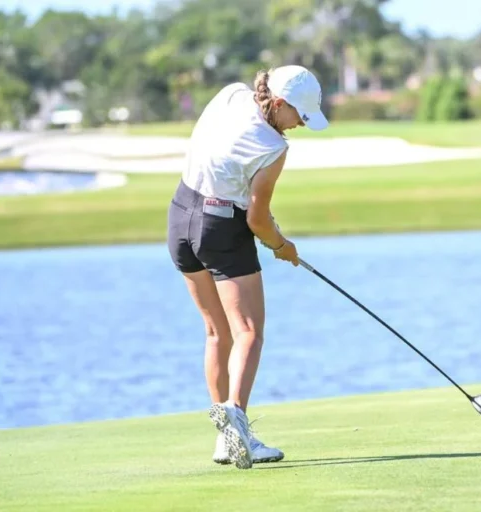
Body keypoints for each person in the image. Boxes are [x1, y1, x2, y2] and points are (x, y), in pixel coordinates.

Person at [166, 65, 329, 470]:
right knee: (249, 332)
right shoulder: (274, 148)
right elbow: (257, 220)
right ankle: (237, 428)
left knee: (216, 332)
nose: (299, 127)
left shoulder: (232, 94)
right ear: (278, 104)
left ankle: (226, 439)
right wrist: (282, 246)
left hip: (180, 217)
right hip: (221, 227)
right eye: (299, 117)